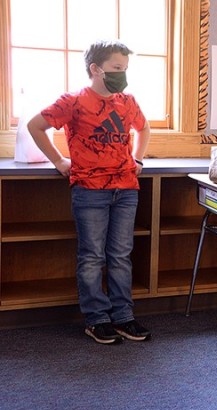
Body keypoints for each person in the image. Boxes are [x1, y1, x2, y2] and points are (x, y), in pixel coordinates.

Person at [28, 40, 152, 345]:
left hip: (126, 188)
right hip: (90, 190)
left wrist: (137, 158)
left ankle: (124, 316)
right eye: (116, 68)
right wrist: (58, 160)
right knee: (92, 256)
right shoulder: (73, 101)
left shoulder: (128, 101)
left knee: (121, 255)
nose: (122, 74)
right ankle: (97, 319)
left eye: (124, 69)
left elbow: (144, 129)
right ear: (96, 69)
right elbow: (35, 126)